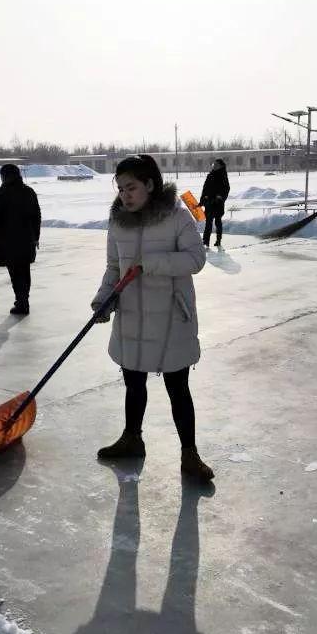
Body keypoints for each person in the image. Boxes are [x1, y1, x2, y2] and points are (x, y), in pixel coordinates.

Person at [91, 154, 214, 482]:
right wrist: (103, 300)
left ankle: (190, 454)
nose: (124, 195)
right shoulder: (118, 221)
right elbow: (114, 267)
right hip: (131, 315)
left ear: (149, 184)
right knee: (133, 382)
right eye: (120, 189)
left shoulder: (176, 217)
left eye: (130, 187)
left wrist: (151, 262)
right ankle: (132, 438)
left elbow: (195, 259)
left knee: (178, 386)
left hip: (171, 317)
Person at [0, 164, 41, 315]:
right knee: (24, 271)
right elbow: (37, 216)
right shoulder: (29, 191)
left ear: (5, 176)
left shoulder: (2, 192)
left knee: (16, 274)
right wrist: (35, 237)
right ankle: (23, 301)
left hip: (8, 242)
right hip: (26, 241)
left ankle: (22, 303)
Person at [199, 158, 230, 248]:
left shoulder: (223, 176)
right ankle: (205, 241)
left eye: (216, 165)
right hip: (209, 202)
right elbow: (204, 189)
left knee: (218, 222)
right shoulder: (210, 175)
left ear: (220, 166)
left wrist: (220, 197)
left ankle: (218, 240)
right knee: (208, 222)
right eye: (213, 165)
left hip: (218, 203)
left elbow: (226, 188)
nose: (214, 166)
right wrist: (202, 200)